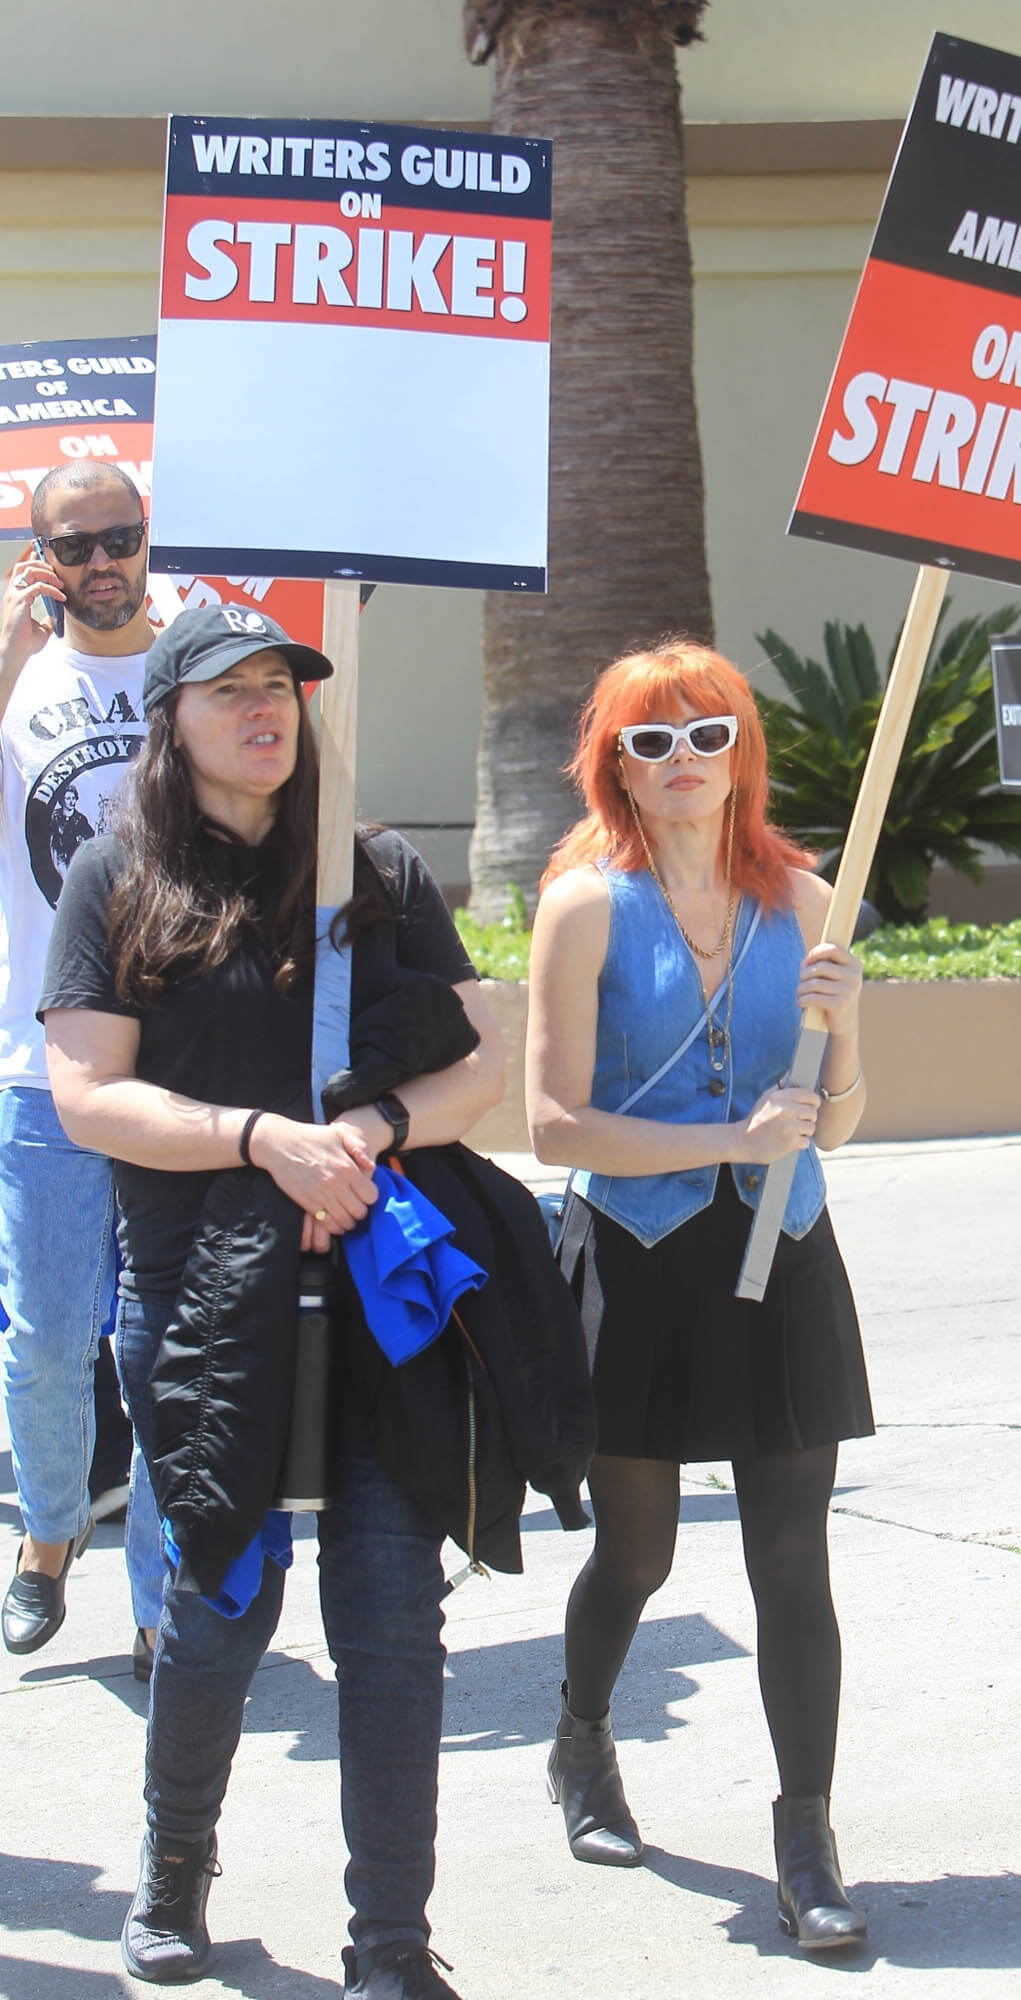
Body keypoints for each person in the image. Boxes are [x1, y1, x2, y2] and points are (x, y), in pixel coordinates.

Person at [40, 605, 505, 1998]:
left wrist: (366, 1132)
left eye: (281, 686)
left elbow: (482, 1068)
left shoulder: (374, 869)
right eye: (229, 688)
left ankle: (391, 1940)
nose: (264, 708)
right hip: (197, 1296)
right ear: (169, 718)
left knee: (392, 1612)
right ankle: (174, 1870)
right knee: (224, 1599)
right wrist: (261, 1141)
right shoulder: (119, 875)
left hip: (372, 1289)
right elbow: (88, 1097)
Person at [526, 639, 874, 1950]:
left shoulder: (811, 901)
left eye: (708, 734)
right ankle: (581, 1738)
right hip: (636, 1256)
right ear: (614, 764)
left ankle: (806, 1838)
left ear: (743, 754)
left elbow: (839, 1121)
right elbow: (553, 1126)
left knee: (792, 1556)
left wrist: (844, 1025)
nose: (683, 760)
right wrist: (729, 1138)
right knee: (640, 1551)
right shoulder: (584, 907)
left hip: (786, 1251)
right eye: (651, 739)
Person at [0, 462, 163, 1664]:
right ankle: (50, 1529)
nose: (101, 562)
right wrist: (10, 649)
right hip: (39, 1058)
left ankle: (164, 1599)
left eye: (120, 537)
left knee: (165, 1345)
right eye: (75, 545)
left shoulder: (195, 664)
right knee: (49, 1335)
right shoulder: (21, 680)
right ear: (41, 557)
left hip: (180, 1064)